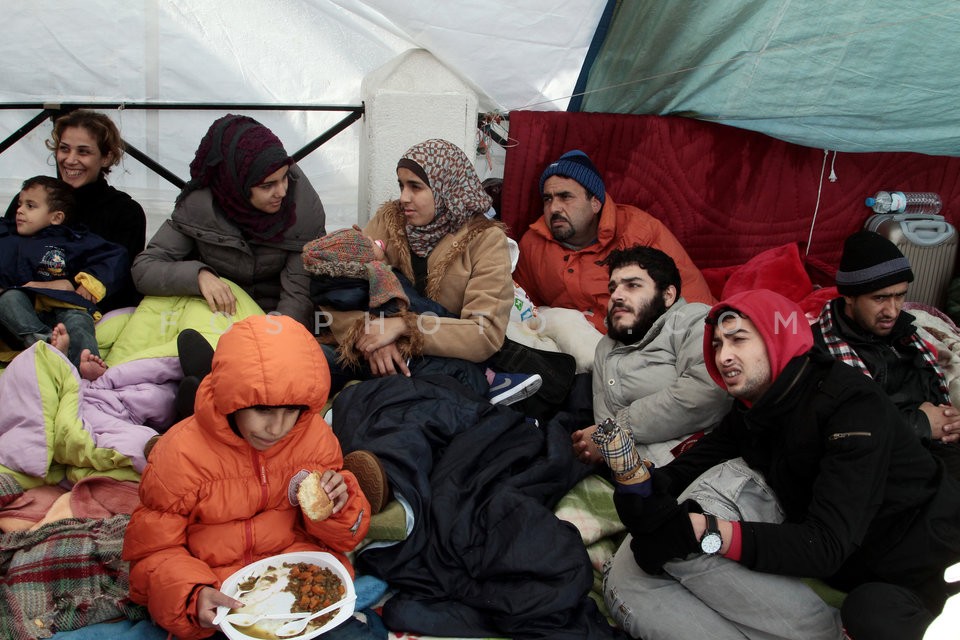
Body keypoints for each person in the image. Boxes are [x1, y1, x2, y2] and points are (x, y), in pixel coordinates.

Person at [600, 289, 960, 640]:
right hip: (859, 566)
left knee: (871, 614)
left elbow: (826, 545)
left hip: (930, 561)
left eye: (738, 340)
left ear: (777, 337)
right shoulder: (754, 409)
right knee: (631, 577)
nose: (724, 356)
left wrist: (705, 532)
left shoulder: (851, 406)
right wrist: (637, 489)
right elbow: (681, 471)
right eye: (717, 345)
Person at [122, 314, 373, 640]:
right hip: (220, 593)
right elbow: (152, 553)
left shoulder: (314, 438)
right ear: (231, 399)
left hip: (296, 582)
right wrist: (191, 594)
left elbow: (340, 536)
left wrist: (340, 505)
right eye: (263, 410)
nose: (277, 428)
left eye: (291, 410)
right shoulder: (178, 456)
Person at [318, 138, 517, 400]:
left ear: (447, 187)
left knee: (419, 402)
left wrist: (404, 327)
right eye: (401, 185)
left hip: (442, 366)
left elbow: (484, 333)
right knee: (301, 365)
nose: (404, 198)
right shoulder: (389, 222)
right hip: (371, 355)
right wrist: (372, 340)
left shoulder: (485, 241)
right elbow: (339, 287)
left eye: (416, 187)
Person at [132, 114, 325, 329]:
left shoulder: (302, 214)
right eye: (267, 185)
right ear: (235, 183)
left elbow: (297, 300)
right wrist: (198, 276)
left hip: (272, 324)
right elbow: (145, 268)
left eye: (285, 177)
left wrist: (270, 340)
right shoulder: (199, 208)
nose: (281, 191)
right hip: (212, 317)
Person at [513, 149, 714, 333]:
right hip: (570, 348)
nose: (554, 208)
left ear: (595, 203)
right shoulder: (533, 244)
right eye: (547, 199)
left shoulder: (640, 232)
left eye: (566, 197)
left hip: (645, 342)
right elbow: (520, 304)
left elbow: (692, 302)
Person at [813, 230, 960, 479]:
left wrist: (950, 423)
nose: (892, 311)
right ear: (849, 295)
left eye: (900, 295)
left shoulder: (907, 334)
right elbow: (838, 431)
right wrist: (920, 425)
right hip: (887, 469)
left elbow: (934, 394)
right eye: (879, 298)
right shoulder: (819, 351)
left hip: (935, 452)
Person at [571, 245, 731, 468]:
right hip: (640, 475)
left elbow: (710, 390)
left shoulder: (692, 318)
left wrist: (617, 430)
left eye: (633, 286)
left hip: (708, 461)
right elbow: (603, 425)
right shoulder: (604, 348)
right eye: (613, 288)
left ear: (667, 296)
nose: (616, 296)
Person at [3, 109, 146, 311]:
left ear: (106, 157)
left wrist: (62, 287)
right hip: (17, 307)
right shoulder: (30, 199)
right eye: (64, 149)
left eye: (83, 151)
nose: (70, 159)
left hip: (88, 315)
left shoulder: (125, 212)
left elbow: (119, 278)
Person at [0, 176, 127, 379]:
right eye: (20, 204)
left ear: (56, 217)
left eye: (30, 206)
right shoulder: (6, 236)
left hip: (64, 304)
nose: (19, 210)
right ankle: (48, 345)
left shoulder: (72, 239)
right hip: (22, 311)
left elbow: (114, 256)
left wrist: (90, 283)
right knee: (7, 299)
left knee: (78, 321)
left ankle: (87, 363)